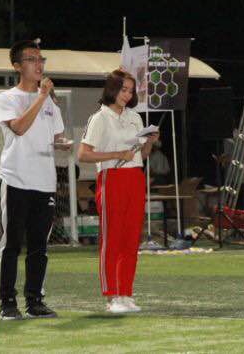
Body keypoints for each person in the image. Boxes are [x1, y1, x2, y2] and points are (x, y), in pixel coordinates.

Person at [0, 39, 70, 320]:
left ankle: (35, 301)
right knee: (12, 243)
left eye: (41, 59)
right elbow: (20, 128)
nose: (39, 64)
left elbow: (56, 136)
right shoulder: (7, 98)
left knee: (39, 245)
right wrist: (41, 96)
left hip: (45, 182)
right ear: (17, 66)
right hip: (16, 179)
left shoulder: (50, 101)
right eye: (31, 59)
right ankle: (7, 302)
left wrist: (62, 144)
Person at [77, 69, 158, 314]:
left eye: (131, 91)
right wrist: (116, 154)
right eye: (123, 90)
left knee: (131, 239)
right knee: (111, 239)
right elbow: (83, 154)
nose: (127, 95)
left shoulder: (135, 117)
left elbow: (142, 155)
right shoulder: (99, 118)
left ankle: (126, 293)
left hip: (135, 178)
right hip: (111, 177)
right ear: (112, 89)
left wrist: (150, 142)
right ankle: (111, 296)